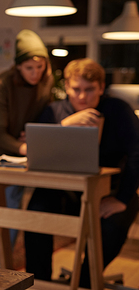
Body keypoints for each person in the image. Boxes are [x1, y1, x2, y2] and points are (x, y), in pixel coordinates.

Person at [24, 58, 139, 288]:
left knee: (112, 224)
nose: (82, 97)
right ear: (66, 86)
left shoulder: (118, 110)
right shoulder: (54, 111)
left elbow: (138, 152)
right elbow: (35, 151)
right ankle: (38, 282)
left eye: (89, 90)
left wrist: (121, 199)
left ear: (101, 87)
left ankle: (87, 281)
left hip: (109, 191)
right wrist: (65, 124)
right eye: (76, 90)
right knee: (36, 212)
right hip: (63, 191)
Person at [0, 29, 54, 263]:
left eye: (40, 67)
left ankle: (2, 267)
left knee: (12, 214)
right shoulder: (1, 84)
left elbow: (44, 113)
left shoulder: (46, 82)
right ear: (17, 66)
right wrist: (24, 147)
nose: (36, 73)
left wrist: (33, 134)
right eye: (29, 68)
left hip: (16, 152)